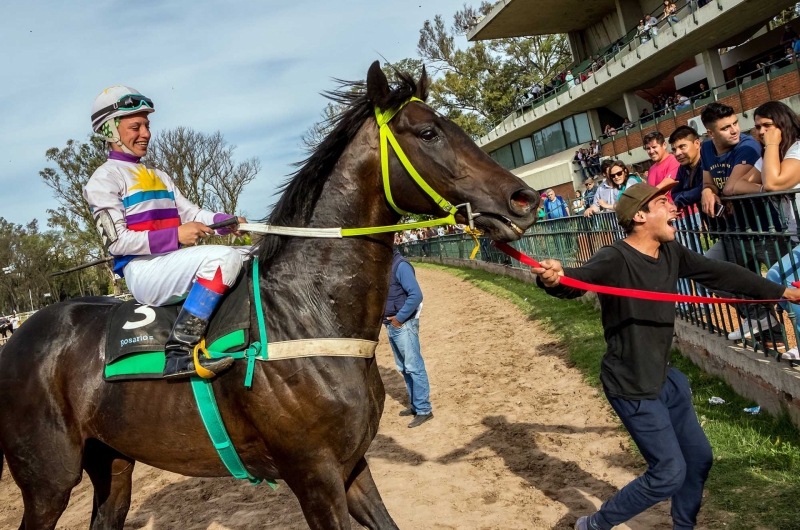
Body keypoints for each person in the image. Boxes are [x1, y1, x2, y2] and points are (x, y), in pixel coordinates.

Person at [531, 183, 800, 530]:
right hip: (632, 384)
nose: (674, 207)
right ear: (640, 216)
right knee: (668, 473)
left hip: (666, 379)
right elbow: (579, 280)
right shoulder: (616, 257)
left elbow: (724, 273)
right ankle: (593, 526)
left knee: (698, 459)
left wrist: (782, 291)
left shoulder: (672, 253)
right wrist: (554, 280)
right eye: (663, 202)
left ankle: (682, 526)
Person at [83, 86, 247, 379]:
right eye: (135, 126)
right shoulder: (104, 179)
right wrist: (175, 236)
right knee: (224, 260)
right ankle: (179, 353)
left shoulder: (160, 176)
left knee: (254, 254)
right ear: (110, 130)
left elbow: (193, 214)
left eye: (147, 125)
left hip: (173, 264)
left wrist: (224, 221)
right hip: (144, 272)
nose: (145, 133)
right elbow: (117, 241)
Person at [699, 102, 786, 343]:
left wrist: (720, 192)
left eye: (735, 123)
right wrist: (707, 191)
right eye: (726, 127)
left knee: (787, 283)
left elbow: (729, 187)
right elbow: (708, 183)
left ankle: (789, 338)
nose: (735, 130)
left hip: (764, 230)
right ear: (710, 133)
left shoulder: (748, 146)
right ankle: (761, 319)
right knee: (708, 269)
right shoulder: (707, 149)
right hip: (735, 232)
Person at [739, 101, 800, 359]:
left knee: (778, 279)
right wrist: (765, 186)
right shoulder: (773, 157)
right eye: (757, 127)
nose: (761, 132)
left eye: (767, 125)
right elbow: (736, 185)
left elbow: (775, 182)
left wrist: (773, 145)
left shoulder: (797, 149)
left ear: (782, 123)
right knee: (786, 285)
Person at [383, 248, 433, 428]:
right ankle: (416, 405)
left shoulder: (400, 265)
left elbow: (416, 295)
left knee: (414, 366)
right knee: (404, 368)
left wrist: (399, 318)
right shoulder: (387, 265)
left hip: (403, 324)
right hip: (392, 325)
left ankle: (424, 410)